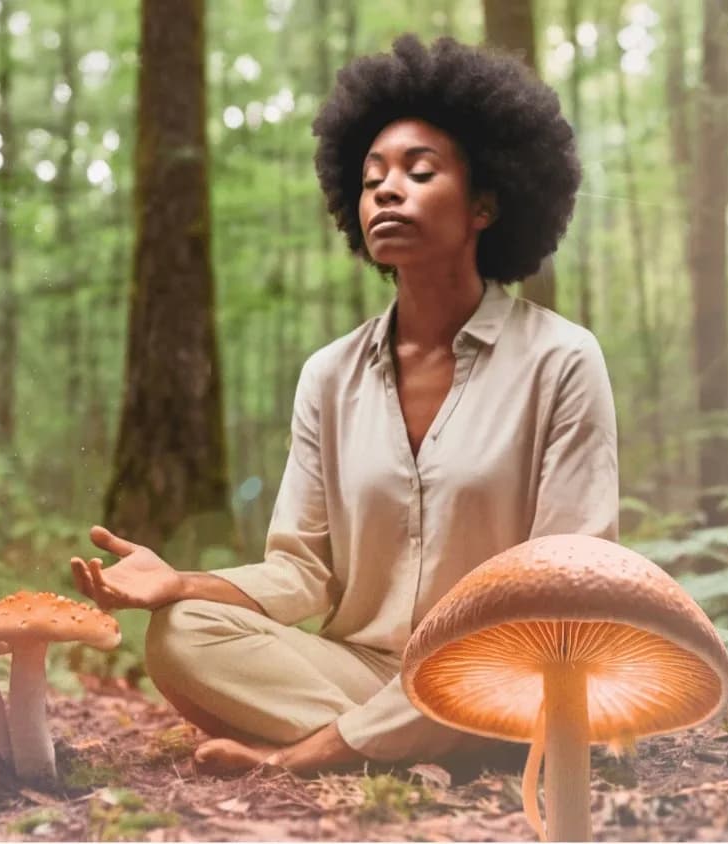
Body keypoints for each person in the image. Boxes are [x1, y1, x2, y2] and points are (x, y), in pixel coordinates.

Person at [70, 33, 618, 776]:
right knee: (182, 633)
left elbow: (564, 583)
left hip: (501, 670)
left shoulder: (561, 360)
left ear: (486, 202)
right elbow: (303, 572)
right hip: (360, 672)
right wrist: (183, 583)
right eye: (370, 180)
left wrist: (299, 757)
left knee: (497, 675)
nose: (387, 191)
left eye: (419, 173)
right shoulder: (329, 376)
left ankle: (335, 752)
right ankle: (427, 748)